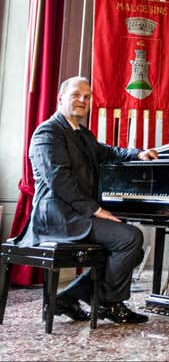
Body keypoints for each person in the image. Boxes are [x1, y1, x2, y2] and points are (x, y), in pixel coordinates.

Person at [17, 76, 158, 324]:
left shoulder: (82, 134)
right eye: (76, 95)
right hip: (56, 217)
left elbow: (110, 152)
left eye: (88, 96)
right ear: (61, 98)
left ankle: (68, 298)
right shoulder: (47, 133)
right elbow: (60, 182)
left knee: (130, 248)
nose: (83, 100)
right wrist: (95, 210)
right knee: (130, 238)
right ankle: (109, 303)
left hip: (75, 214)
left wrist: (138, 153)